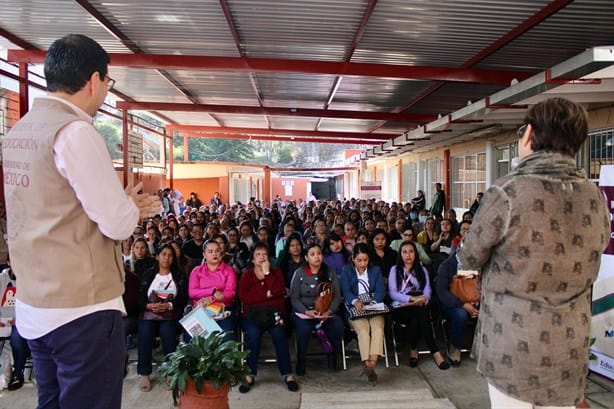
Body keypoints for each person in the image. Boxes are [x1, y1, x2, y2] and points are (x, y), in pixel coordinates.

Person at [1, 34, 160, 408]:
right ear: (93, 80)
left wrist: (120, 203)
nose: (105, 90)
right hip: (80, 311)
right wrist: (131, 208)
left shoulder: (19, 131)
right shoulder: (76, 132)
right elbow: (118, 226)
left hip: (35, 305)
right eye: (107, 82)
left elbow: (56, 208)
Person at [457, 98, 610, 408]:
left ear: (529, 135)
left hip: (513, 350)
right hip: (568, 349)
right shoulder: (595, 195)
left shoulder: (508, 192)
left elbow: (468, 257)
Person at [238, 242, 299, 393]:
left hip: (274, 315)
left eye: (264, 254)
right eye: (258, 254)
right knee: (253, 335)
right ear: (252, 259)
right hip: (253, 316)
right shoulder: (247, 275)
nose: (261, 257)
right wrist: (267, 295)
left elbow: (279, 292)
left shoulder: (276, 272)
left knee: (279, 334)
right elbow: (245, 298)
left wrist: (267, 274)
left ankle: (287, 374)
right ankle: (249, 374)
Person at [389, 241, 449, 370]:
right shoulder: (395, 270)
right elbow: (393, 293)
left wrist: (424, 298)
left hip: (419, 304)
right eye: (404, 252)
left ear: (416, 254)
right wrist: (411, 299)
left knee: (417, 315)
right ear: (400, 254)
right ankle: (435, 351)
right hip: (401, 305)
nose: (408, 255)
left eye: (411, 251)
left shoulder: (422, 270)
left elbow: (428, 289)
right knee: (419, 314)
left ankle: (413, 349)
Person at [136, 244, 188, 392]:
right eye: (163, 254)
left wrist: (169, 305)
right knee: (145, 332)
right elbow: (139, 296)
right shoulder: (148, 274)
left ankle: (170, 371)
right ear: (157, 256)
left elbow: (183, 298)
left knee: (168, 332)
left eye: (170, 255)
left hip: (170, 314)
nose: (166, 258)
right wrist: (148, 306)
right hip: (149, 313)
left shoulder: (178, 275)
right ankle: (144, 373)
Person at [291, 243, 344, 376]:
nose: (316, 257)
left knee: (337, 325)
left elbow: (337, 297)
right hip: (305, 312)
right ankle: (301, 360)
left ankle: (332, 354)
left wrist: (329, 312)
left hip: (326, 311)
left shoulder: (329, 272)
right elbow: (294, 299)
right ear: (306, 257)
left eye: (319, 253)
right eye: (312, 254)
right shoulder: (299, 273)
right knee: (303, 329)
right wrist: (306, 311)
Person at [340, 244, 386, 386]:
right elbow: (346, 290)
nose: (362, 264)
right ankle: (368, 364)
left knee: (378, 328)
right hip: (356, 307)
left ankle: (370, 365)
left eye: (365, 260)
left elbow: (381, 290)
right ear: (353, 259)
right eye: (359, 260)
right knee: (363, 330)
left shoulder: (375, 270)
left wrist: (373, 302)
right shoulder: (347, 271)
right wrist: (355, 301)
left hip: (373, 306)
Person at [436, 221, 477, 367]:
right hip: (453, 304)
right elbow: (442, 293)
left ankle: (483, 347)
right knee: (461, 314)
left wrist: (475, 305)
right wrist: (463, 305)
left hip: (474, 301)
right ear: (458, 248)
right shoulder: (447, 266)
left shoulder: (478, 265)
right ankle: (455, 347)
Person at [188, 240, 237, 341]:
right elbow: (192, 292)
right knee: (191, 336)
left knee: (227, 334)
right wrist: (212, 291)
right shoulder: (197, 271)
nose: (214, 254)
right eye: (210, 251)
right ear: (204, 254)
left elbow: (230, 293)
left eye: (217, 251)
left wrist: (211, 299)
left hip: (223, 309)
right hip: (201, 310)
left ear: (221, 253)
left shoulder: (229, 270)